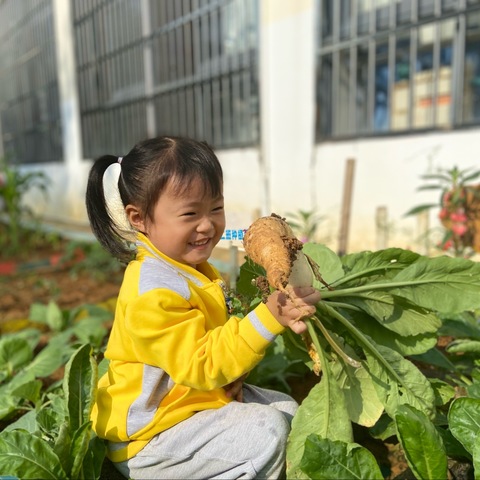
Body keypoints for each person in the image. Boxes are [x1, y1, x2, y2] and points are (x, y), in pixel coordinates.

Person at [85, 135, 321, 480]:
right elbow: (202, 363)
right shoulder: (151, 293)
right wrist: (269, 317)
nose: (207, 225)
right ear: (139, 218)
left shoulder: (187, 266)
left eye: (216, 208)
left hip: (188, 406)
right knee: (266, 433)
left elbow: (210, 345)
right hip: (150, 439)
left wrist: (236, 371)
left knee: (288, 411)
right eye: (190, 214)